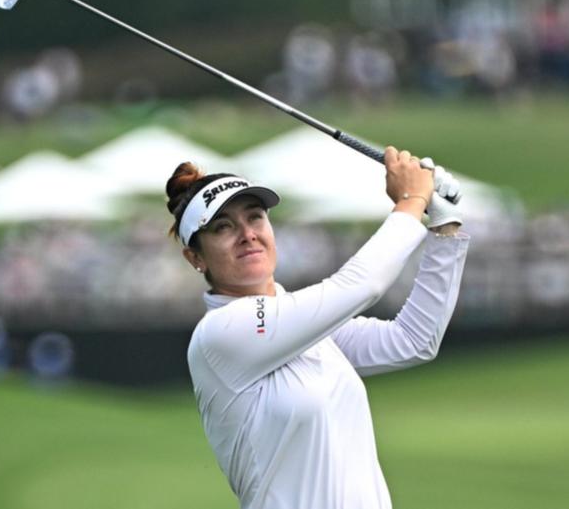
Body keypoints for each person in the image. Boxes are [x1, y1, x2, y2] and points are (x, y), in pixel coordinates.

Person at [164, 147, 470, 509]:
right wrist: (411, 200)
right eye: (223, 227)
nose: (247, 234)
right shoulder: (222, 332)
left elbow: (413, 340)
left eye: (255, 217)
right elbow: (360, 286)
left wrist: (444, 230)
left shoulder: (303, 328)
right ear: (195, 257)